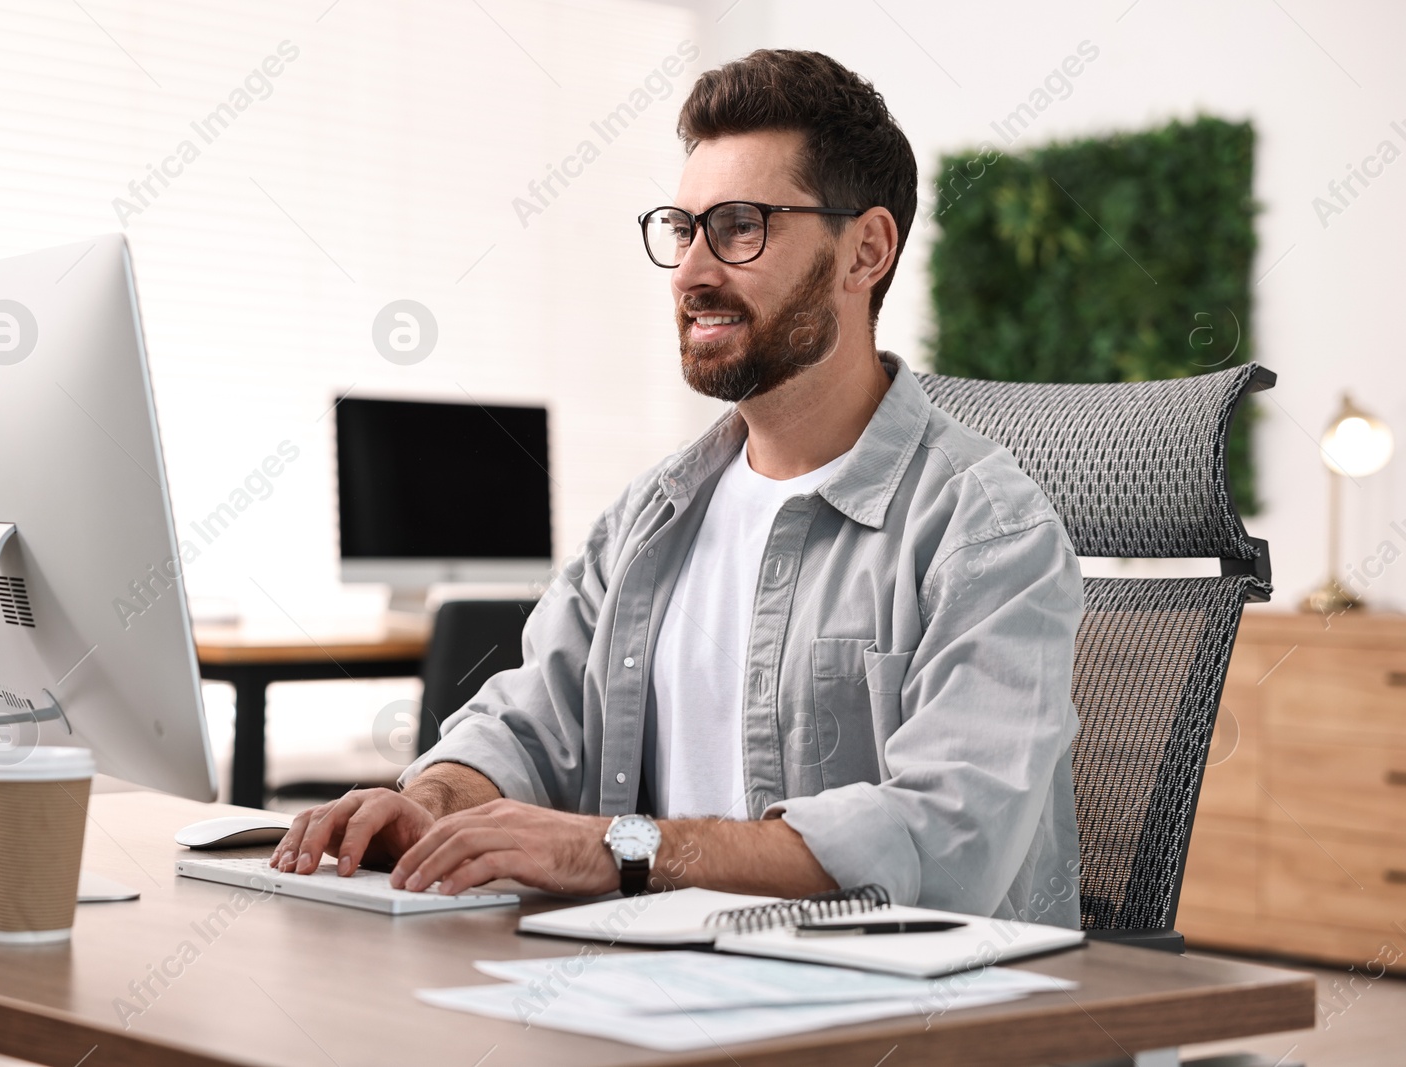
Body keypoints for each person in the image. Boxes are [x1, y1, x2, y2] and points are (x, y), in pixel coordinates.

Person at [271, 48, 1085, 926]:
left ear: (866, 250)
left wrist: (617, 849)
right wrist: (432, 799)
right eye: (682, 228)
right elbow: (529, 722)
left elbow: (942, 834)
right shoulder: (652, 516)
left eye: (739, 227)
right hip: (669, 993)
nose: (693, 271)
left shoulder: (987, 529)